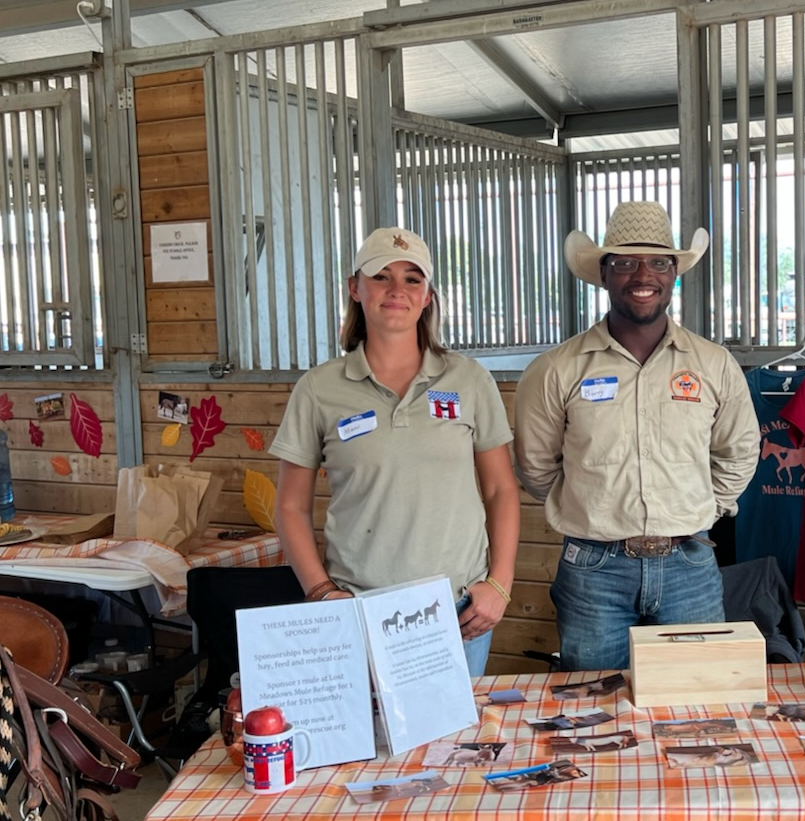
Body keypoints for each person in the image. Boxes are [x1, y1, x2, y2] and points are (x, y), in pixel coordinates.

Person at [513, 201, 759, 672]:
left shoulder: (712, 364)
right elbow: (536, 465)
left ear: (674, 274)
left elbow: (739, 450)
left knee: (697, 703)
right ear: (604, 274)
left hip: (689, 561)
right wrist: (593, 507)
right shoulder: (556, 370)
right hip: (593, 570)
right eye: (625, 262)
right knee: (593, 707)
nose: (642, 274)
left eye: (659, 262)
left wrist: (701, 508)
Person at [270, 227, 520, 677]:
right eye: (381, 276)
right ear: (354, 288)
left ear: (427, 296)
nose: (396, 290)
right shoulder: (319, 389)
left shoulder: (468, 379)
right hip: (359, 609)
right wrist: (321, 593)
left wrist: (499, 585)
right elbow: (289, 506)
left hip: (457, 606)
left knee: (454, 747)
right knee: (368, 746)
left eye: (411, 279)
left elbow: (502, 488)